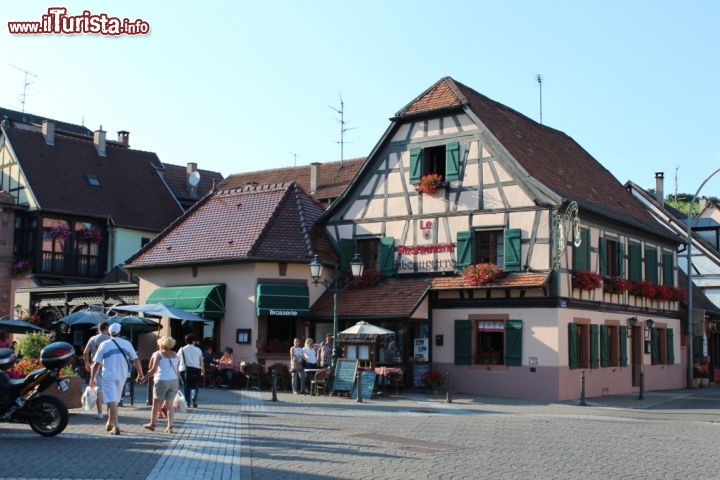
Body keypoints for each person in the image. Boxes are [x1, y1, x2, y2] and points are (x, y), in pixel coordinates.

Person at [90, 322, 144, 435]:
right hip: (122, 375)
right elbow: (136, 360)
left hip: (108, 376)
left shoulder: (104, 344)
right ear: (119, 332)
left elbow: (96, 364)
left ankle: (116, 425)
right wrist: (140, 373)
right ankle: (110, 421)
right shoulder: (127, 344)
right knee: (115, 399)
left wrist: (92, 378)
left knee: (112, 400)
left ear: (109, 332)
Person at [142, 336, 180, 433]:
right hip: (174, 381)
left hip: (162, 380)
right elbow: (176, 369)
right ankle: (170, 426)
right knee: (170, 404)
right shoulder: (175, 354)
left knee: (156, 403)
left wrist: (144, 378)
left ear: (161, 344)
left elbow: (153, 369)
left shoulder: (158, 354)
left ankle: (152, 424)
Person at [83, 321, 110, 419]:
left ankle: (100, 413)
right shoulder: (110, 339)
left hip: (95, 366)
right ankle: (109, 412)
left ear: (99, 329)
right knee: (109, 389)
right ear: (107, 329)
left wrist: (87, 363)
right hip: (107, 366)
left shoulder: (92, 339)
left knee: (99, 390)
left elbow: (85, 352)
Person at [178, 334, 205, 408]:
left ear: (186, 341)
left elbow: (178, 360)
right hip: (196, 369)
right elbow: (201, 361)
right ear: (193, 341)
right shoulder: (198, 350)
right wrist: (203, 370)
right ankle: (194, 397)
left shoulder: (182, 349)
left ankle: (187, 402)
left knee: (186, 386)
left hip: (184, 369)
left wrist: (176, 370)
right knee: (195, 385)